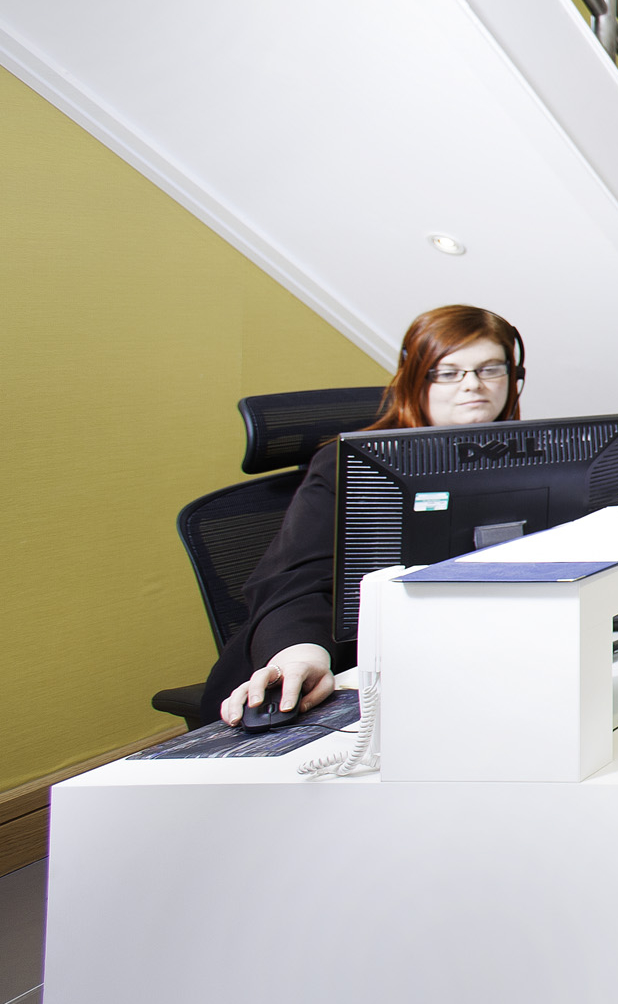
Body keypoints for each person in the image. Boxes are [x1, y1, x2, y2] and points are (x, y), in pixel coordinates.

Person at [205, 305, 526, 726]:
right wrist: (301, 654)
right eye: (448, 372)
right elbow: (296, 581)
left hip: (473, 655)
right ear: (417, 379)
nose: (473, 386)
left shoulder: (528, 457)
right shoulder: (346, 464)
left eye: (490, 369)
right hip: (357, 663)